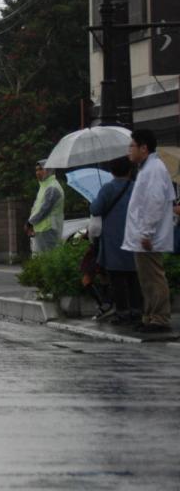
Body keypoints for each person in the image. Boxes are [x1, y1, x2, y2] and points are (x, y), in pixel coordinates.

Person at [123, 128, 175, 337]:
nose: (129, 151)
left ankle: (159, 318)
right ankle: (150, 316)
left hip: (149, 237)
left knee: (153, 277)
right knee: (147, 278)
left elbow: (154, 202)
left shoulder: (153, 169)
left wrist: (146, 233)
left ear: (144, 148)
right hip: (144, 236)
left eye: (132, 146)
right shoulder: (147, 168)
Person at [90, 156, 139, 325]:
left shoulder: (107, 188)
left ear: (111, 171)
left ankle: (122, 313)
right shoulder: (136, 187)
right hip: (134, 238)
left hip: (113, 241)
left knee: (117, 279)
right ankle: (136, 311)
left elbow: (95, 209)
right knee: (134, 277)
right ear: (130, 170)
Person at [26, 160, 65, 255]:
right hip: (41, 228)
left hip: (48, 228)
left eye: (40, 169)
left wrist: (30, 222)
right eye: (36, 170)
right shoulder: (44, 186)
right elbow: (36, 207)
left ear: (49, 170)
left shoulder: (52, 188)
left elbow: (44, 209)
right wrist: (31, 222)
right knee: (42, 259)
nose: (37, 172)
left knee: (48, 259)